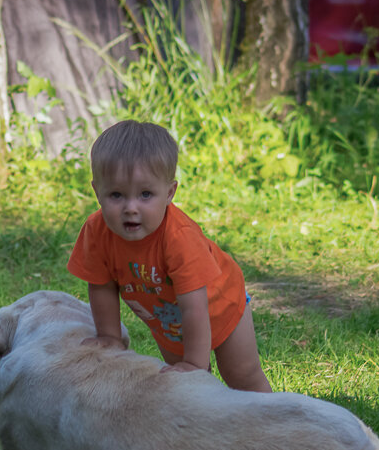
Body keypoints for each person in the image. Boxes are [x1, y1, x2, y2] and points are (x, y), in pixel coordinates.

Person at [67, 120, 272, 393]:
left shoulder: (179, 237)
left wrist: (195, 364)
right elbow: (101, 286)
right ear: (97, 192)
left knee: (241, 374)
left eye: (145, 194)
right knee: (188, 390)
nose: (131, 208)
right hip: (167, 321)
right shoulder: (96, 232)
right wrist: (110, 336)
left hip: (220, 306)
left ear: (170, 193)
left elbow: (195, 307)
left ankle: (272, 422)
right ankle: (207, 429)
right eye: (116, 194)